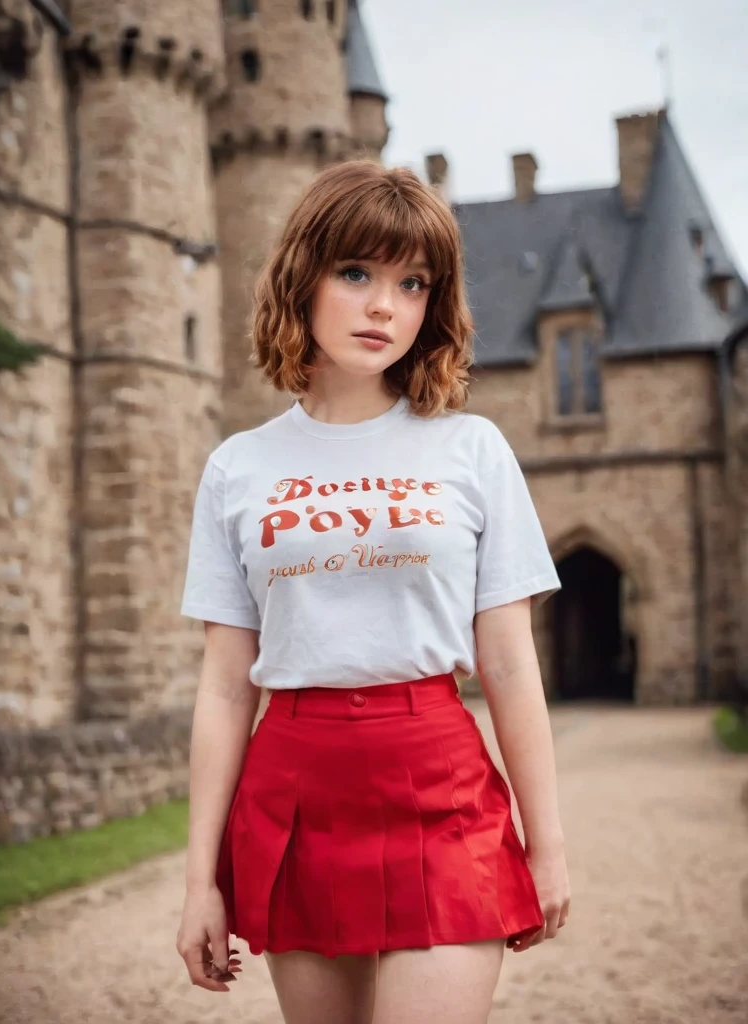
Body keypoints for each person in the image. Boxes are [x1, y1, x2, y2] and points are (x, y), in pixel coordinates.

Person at [175, 160, 570, 1024]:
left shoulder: (471, 450)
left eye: (412, 282)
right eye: (356, 273)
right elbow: (222, 684)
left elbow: (507, 662)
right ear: (301, 279)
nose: (385, 304)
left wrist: (548, 845)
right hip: (297, 791)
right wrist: (201, 879)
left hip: (439, 785)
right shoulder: (238, 469)